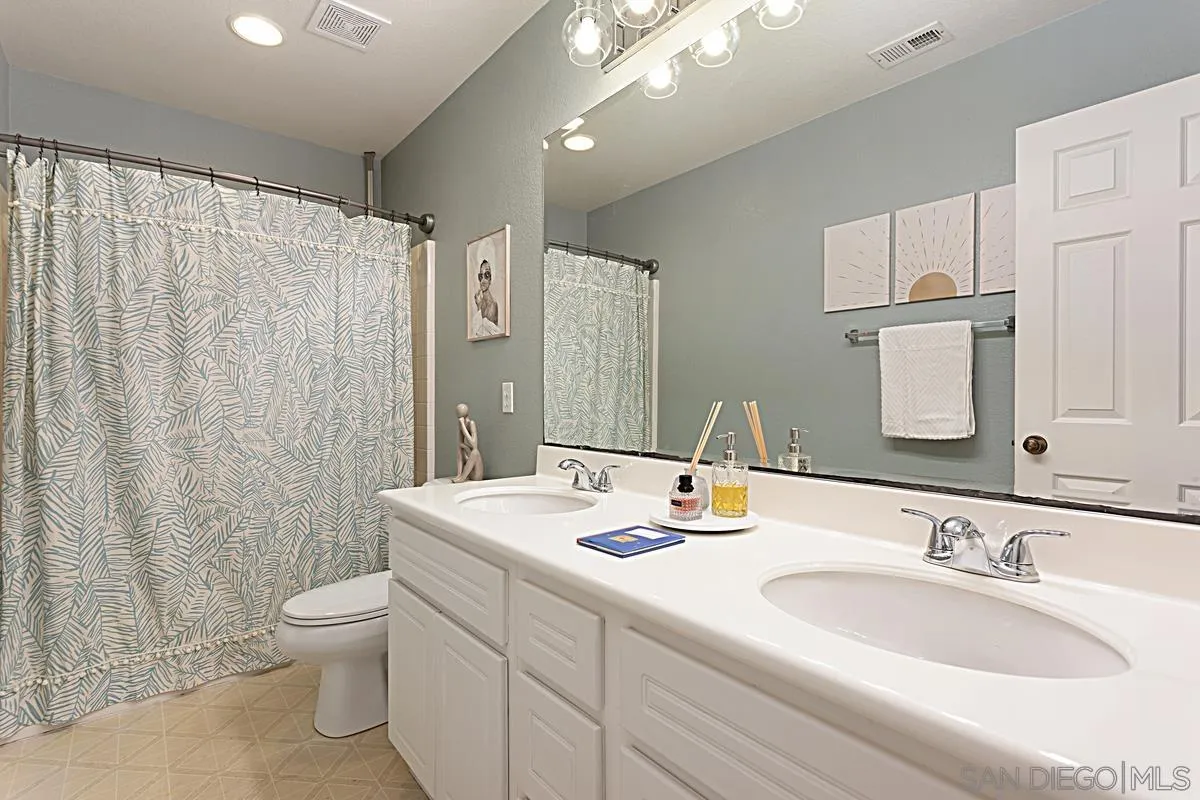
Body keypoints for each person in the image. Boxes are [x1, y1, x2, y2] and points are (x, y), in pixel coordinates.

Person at [452, 403, 484, 483]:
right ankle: (460, 475)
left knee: (475, 452)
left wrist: (463, 425)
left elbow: (474, 445)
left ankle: (462, 478)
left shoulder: (471, 423)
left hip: (477, 475)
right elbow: (460, 443)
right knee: (460, 448)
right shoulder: (460, 423)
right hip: (470, 474)